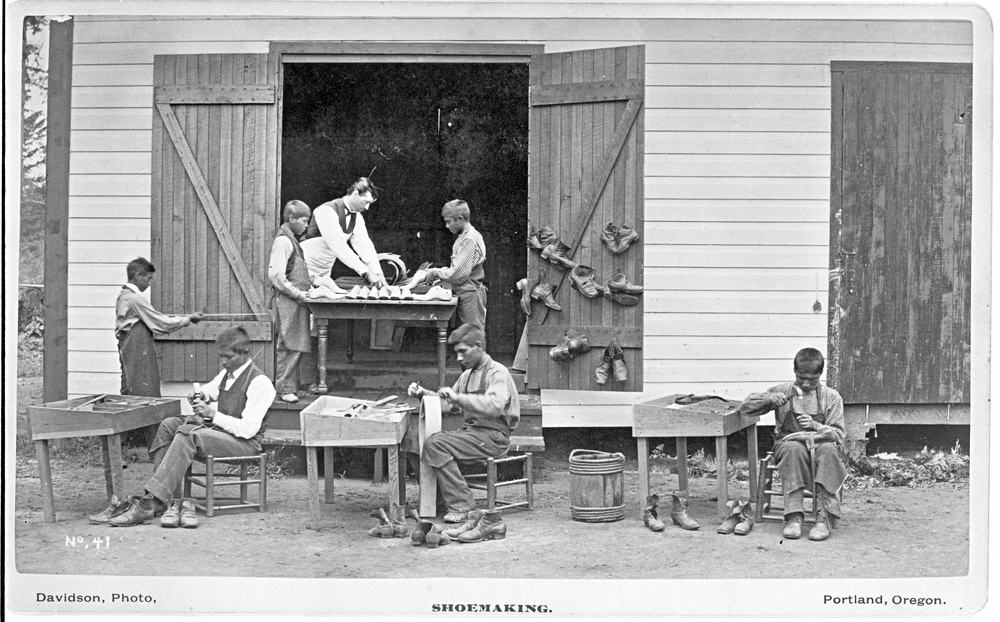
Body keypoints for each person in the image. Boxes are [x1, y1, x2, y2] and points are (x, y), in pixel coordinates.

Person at [91, 326, 276, 528]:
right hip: (222, 434)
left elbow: (248, 430)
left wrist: (212, 414)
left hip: (245, 443)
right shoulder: (227, 373)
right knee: (169, 425)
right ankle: (167, 501)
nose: (223, 362)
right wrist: (200, 396)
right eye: (221, 356)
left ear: (245, 353)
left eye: (228, 357)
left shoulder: (260, 382)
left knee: (189, 434)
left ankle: (150, 502)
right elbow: (209, 391)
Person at [408, 324, 518, 540]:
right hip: (473, 434)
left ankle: (464, 506)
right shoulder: (467, 375)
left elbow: (494, 406)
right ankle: (440, 501)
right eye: (456, 352)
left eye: (463, 351)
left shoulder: (498, 373)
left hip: (494, 437)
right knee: (415, 441)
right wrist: (424, 395)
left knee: (436, 443)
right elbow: (448, 404)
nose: (458, 357)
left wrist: (458, 398)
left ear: (478, 346)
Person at [740, 348, 847, 541]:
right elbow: (745, 408)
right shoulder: (783, 391)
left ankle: (823, 519)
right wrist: (768, 399)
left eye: (812, 380)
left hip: (820, 443)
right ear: (794, 371)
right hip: (789, 443)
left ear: (820, 375)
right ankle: (794, 517)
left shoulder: (831, 397)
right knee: (793, 450)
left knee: (829, 452)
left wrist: (816, 426)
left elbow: (839, 435)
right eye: (801, 378)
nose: (806, 384)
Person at [116, 258, 204, 399]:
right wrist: (187, 319)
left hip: (132, 348)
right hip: (136, 350)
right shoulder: (134, 299)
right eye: (149, 279)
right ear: (138, 276)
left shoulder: (124, 296)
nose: (150, 284)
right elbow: (160, 323)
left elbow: (155, 318)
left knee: (131, 389)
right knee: (142, 390)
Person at [300, 177, 388, 289]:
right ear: (355, 193)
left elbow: (366, 247)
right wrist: (366, 272)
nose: (367, 207)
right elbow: (338, 246)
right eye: (366, 202)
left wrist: (378, 274)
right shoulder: (325, 210)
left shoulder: (357, 218)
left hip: (325, 270)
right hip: (305, 266)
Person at [268, 200, 313, 403]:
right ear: (291, 219)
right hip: (288, 301)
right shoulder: (284, 241)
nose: (306, 225)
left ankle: (291, 386)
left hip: (297, 302)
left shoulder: (294, 241)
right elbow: (277, 276)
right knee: (288, 345)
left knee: (297, 344)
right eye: (304, 221)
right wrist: (297, 293)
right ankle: (284, 388)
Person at [421, 199, 487, 331]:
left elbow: (457, 274)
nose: (446, 226)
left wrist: (435, 272)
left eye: (448, 221)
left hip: (470, 295)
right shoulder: (464, 237)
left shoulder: (469, 239)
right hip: (465, 293)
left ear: (460, 219)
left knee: (471, 339)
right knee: (465, 338)